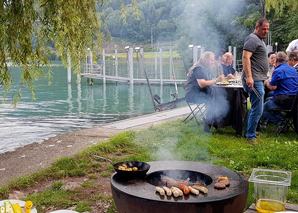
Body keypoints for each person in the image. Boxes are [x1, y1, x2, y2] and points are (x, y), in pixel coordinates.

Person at [242, 18, 270, 145]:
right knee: (257, 109)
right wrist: (249, 77)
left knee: (256, 108)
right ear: (257, 27)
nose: (266, 31)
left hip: (259, 79)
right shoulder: (252, 39)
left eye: (267, 29)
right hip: (254, 80)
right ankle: (250, 136)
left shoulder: (258, 40)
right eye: (263, 29)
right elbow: (245, 57)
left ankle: (250, 132)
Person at [184, 51, 227, 133]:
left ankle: (215, 123)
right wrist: (217, 80)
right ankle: (208, 126)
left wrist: (216, 79)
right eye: (211, 60)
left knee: (216, 96)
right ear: (206, 60)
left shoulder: (205, 68)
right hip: (193, 94)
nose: (213, 62)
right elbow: (202, 84)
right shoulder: (199, 69)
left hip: (200, 92)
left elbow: (209, 80)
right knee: (212, 100)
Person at [260, 52, 298, 133]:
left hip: (284, 99)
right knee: (268, 99)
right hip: (295, 100)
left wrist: (266, 82)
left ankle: (280, 122)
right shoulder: (293, 69)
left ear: (276, 60)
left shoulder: (278, 70)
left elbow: (273, 87)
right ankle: (266, 122)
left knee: (262, 108)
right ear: (286, 60)